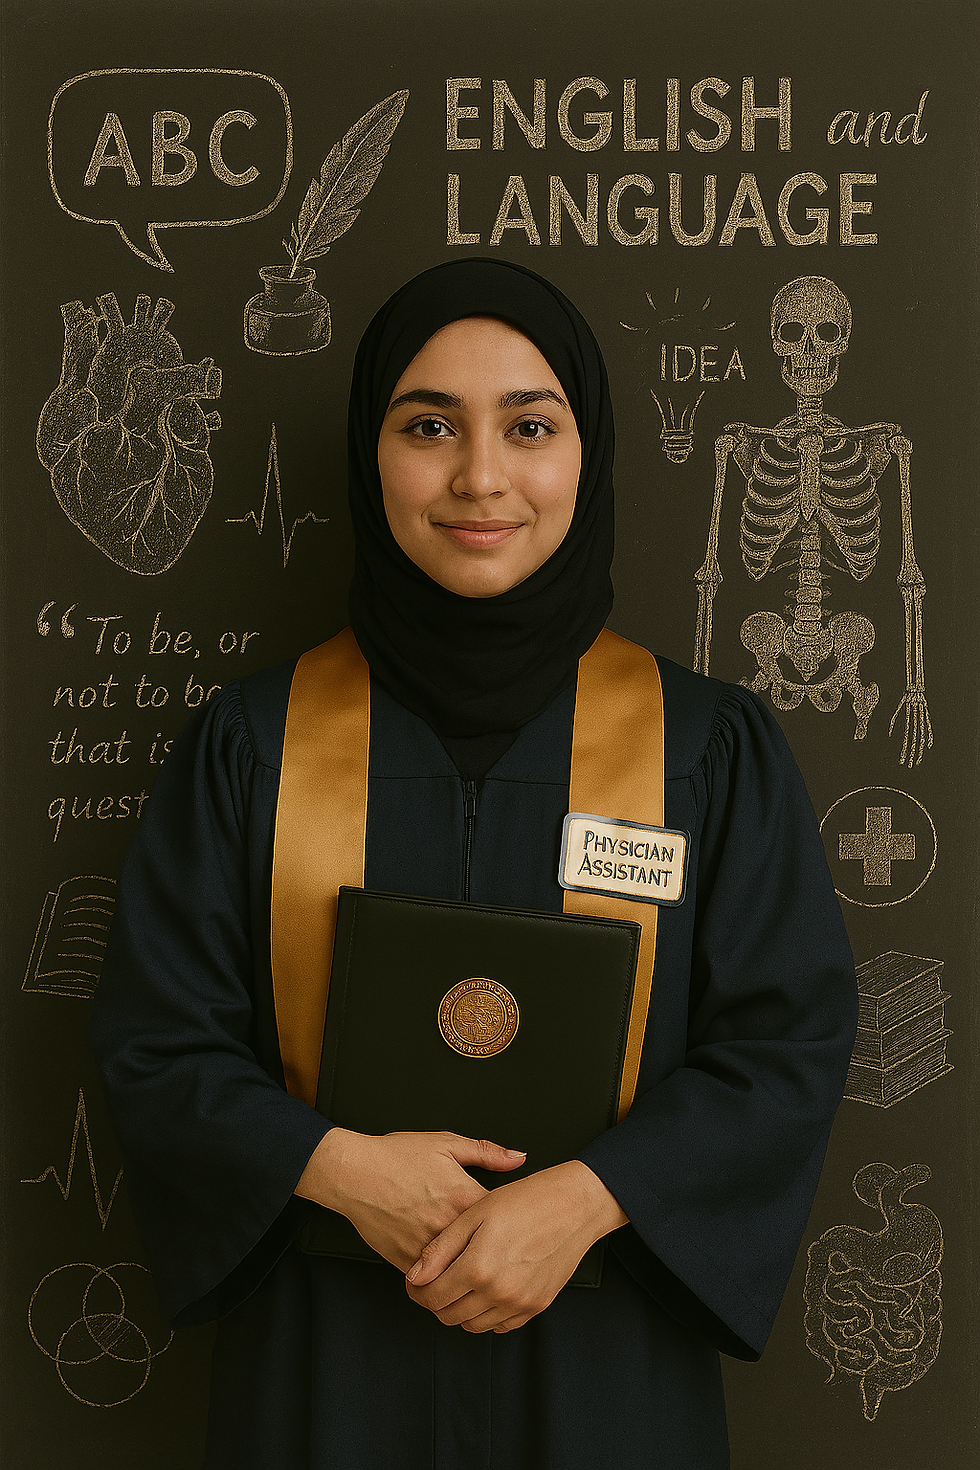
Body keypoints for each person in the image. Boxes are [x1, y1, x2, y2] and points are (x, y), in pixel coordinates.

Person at [91, 258, 858, 1469]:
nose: (479, 476)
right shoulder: (254, 743)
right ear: (370, 453)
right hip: (326, 1363)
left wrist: (587, 1197)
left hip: (607, 1365)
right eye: (428, 425)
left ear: (586, 454)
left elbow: (783, 1045)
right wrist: (335, 1168)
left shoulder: (703, 748)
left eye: (529, 426)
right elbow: (156, 1041)